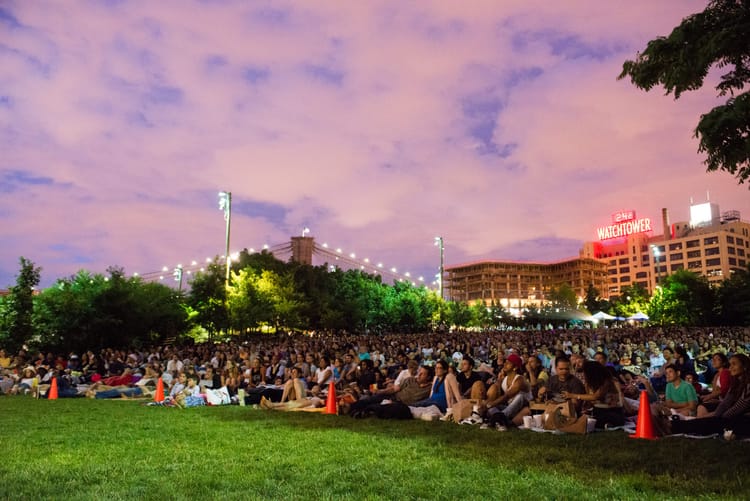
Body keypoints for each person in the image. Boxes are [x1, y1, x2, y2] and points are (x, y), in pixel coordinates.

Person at [672, 354, 750, 437]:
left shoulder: (748, 385)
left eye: (734, 364)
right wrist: (716, 417)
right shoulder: (735, 383)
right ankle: (675, 425)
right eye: (730, 364)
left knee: (710, 424)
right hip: (732, 416)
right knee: (707, 422)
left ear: (744, 366)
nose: (730, 367)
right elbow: (725, 403)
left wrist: (719, 419)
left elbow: (738, 407)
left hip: (744, 419)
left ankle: (675, 426)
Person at [563, 361, 624, 429]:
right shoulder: (592, 383)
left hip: (612, 411)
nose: (584, 375)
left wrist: (573, 395)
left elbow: (596, 396)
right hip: (599, 410)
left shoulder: (608, 381)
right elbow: (589, 398)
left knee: (597, 420)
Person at [483, 354, 530, 430]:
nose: (505, 364)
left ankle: (498, 418)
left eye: (508, 363)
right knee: (492, 408)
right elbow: (496, 389)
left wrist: (491, 404)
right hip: (509, 408)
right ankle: (501, 419)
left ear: (515, 367)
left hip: (522, 407)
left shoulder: (520, 379)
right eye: (505, 362)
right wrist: (499, 379)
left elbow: (507, 396)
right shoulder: (505, 378)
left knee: (520, 396)